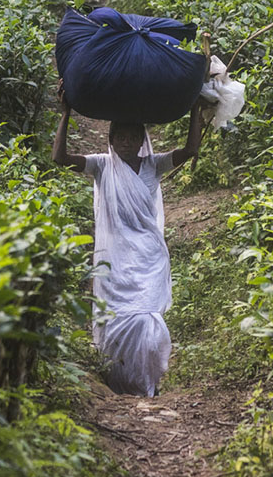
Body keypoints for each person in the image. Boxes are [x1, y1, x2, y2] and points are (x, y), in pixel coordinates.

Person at [52, 84, 210, 396]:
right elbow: (59, 157)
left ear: (142, 141)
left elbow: (191, 150)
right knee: (117, 320)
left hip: (149, 258)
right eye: (120, 137)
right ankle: (118, 380)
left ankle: (148, 381)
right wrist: (66, 113)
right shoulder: (101, 165)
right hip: (116, 260)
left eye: (133, 137)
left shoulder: (154, 164)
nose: (126, 143)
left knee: (148, 320)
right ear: (110, 140)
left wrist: (196, 107)